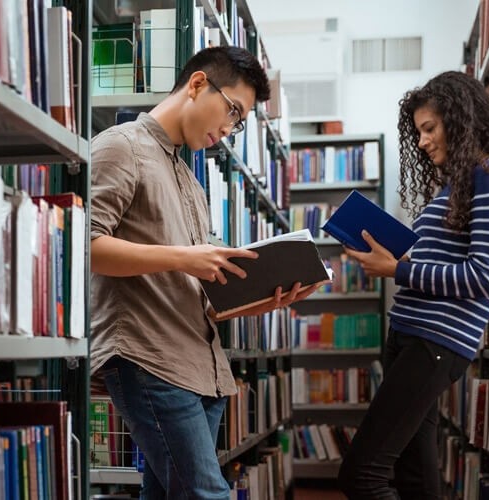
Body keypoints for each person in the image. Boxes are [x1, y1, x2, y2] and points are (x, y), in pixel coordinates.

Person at [88, 45, 322, 499]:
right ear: (197, 84)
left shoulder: (193, 183)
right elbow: (84, 245)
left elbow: (196, 290)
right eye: (232, 111)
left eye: (239, 122)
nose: (230, 129)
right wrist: (184, 256)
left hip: (203, 369)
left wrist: (262, 298)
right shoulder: (122, 146)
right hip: (149, 356)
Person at [337, 71, 489, 499]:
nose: (421, 141)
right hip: (410, 338)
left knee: (361, 475)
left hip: (433, 343)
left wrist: (398, 270)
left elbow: (484, 276)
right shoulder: (454, 186)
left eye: (429, 128)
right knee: (415, 477)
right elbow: (442, 263)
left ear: (460, 120)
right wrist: (395, 258)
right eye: (418, 131)